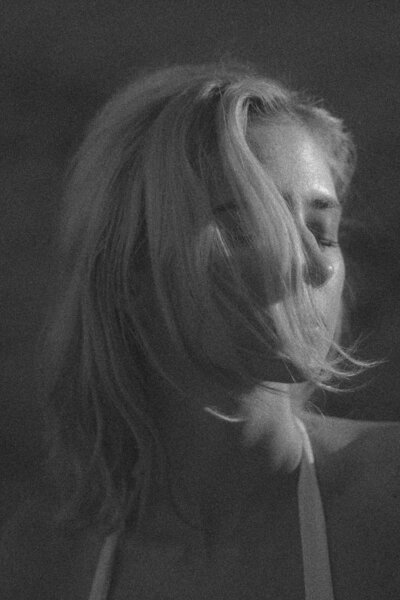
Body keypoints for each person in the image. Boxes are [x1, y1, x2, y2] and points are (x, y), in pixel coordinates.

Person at [1, 60, 400, 600]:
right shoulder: (46, 563)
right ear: (132, 268)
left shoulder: (386, 499)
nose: (312, 264)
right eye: (254, 224)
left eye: (322, 230)